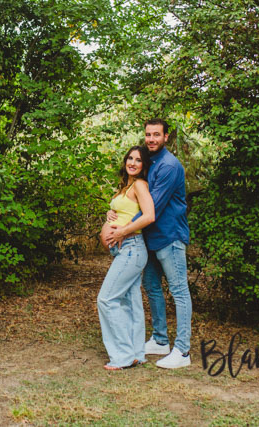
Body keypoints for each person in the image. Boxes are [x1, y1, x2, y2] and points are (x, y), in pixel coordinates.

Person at [104, 118, 191, 369]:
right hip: (148, 236)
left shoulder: (169, 166)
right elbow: (134, 201)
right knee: (152, 287)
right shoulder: (149, 162)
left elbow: (152, 207)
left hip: (169, 236)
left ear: (166, 137)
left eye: (156, 135)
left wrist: (120, 229)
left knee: (178, 291)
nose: (151, 139)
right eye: (148, 134)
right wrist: (114, 216)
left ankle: (182, 351)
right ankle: (160, 339)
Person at [97, 146, 156, 371]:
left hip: (132, 248)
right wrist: (109, 215)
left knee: (106, 299)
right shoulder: (127, 186)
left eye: (138, 160)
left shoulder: (140, 185)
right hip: (125, 251)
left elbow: (149, 216)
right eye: (130, 158)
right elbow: (124, 212)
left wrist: (121, 231)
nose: (132, 162)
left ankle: (122, 355)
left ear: (144, 165)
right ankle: (136, 353)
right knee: (131, 303)